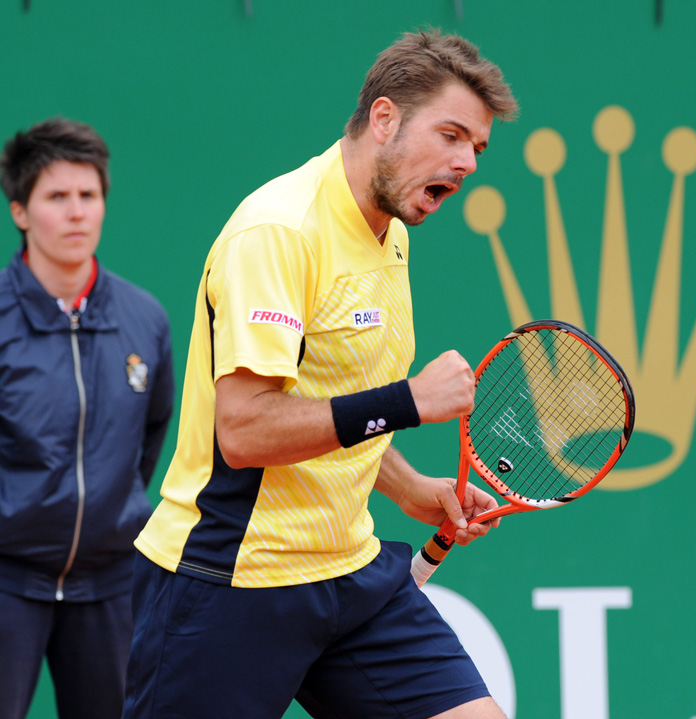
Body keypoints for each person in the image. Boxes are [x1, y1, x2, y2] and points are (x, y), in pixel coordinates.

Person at [123, 29, 517, 719]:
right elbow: (245, 431)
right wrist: (408, 401)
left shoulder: (390, 232)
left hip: (350, 572)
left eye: (477, 148)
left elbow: (329, 402)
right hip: (232, 576)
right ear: (385, 118)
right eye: (451, 135)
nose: (466, 162)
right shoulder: (279, 232)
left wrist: (408, 487)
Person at [0, 118, 175, 719]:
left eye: (88, 195)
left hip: (110, 585)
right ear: (20, 211)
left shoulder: (144, 319)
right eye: (56, 197)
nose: (76, 212)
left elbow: (147, 441)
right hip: (7, 580)